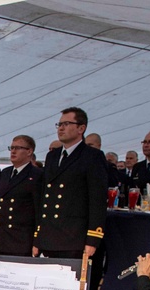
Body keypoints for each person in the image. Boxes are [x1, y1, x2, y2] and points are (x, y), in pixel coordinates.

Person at [34, 107, 107, 264]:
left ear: (81, 128)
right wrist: (38, 236)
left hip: (74, 237)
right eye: (59, 124)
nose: (61, 128)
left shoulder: (92, 156)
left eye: (66, 124)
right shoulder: (52, 156)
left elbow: (97, 200)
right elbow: (44, 197)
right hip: (49, 235)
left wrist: (93, 238)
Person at [0, 135, 41, 255]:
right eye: (12, 148)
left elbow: (38, 209)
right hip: (1, 238)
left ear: (29, 151)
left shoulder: (36, 175)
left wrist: (37, 240)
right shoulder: (5, 173)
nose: (13, 151)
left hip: (22, 239)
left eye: (18, 148)